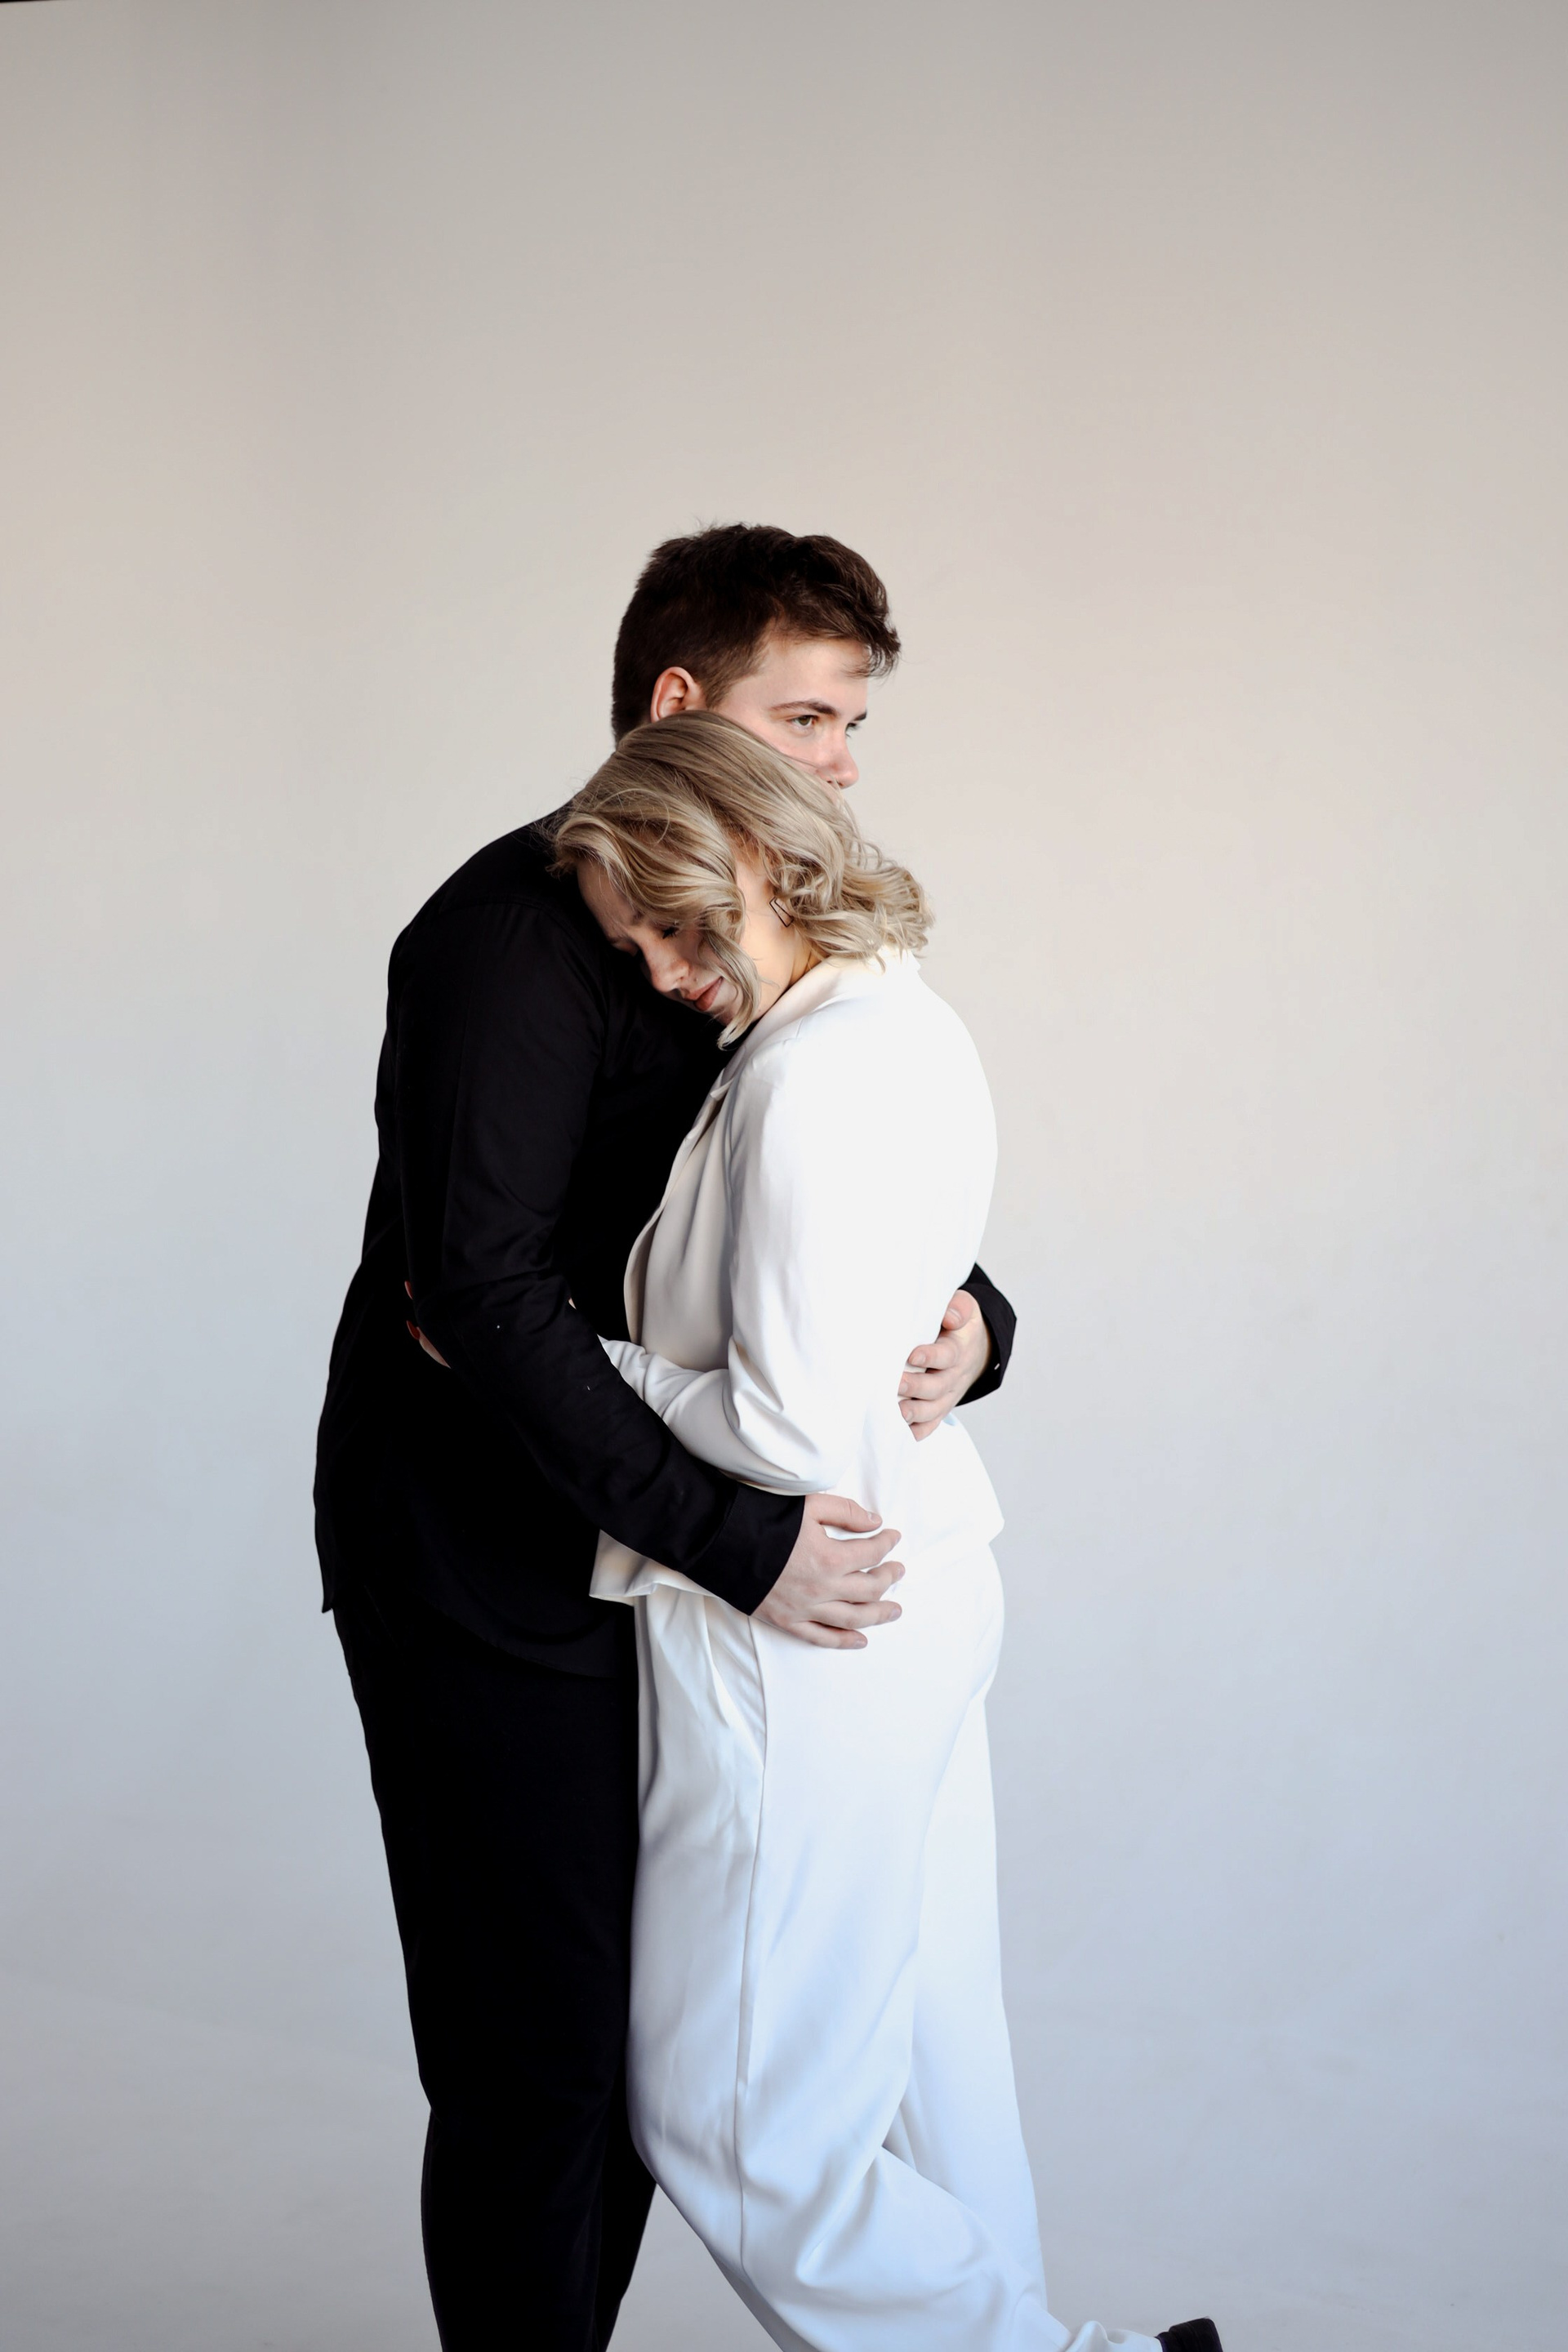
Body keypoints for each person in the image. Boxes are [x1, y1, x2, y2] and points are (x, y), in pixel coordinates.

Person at [314, 523, 1019, 2351]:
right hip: (487, 1564)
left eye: (853, 724)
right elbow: (478, 1299)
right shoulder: (507, 941)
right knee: (543, 2064)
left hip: (656, 1553)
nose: (842, 761)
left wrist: (974, 1320)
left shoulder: (774, 939)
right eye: (807, 717)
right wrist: (747, 1540)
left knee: (649, 2055)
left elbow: (827, 1188)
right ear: (678, 704)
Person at [553, 714, 1223, 2352]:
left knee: (738, 2127)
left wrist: (581, 1361)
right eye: (634, 944)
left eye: (670, 923)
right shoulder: (901, 1019)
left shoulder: (806, 1077)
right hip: (921, 1592)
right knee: (938, 2075)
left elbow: (792, 1433)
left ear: (751, 864)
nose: (661, 973)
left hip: (807, 1631)